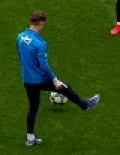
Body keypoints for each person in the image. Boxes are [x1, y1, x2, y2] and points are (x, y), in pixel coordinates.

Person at [18, 10, 100, 146]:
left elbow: (20, 56)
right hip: (40, 79)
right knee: (64, 87)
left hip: (27, 79)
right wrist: (55, 80)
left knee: (33, 108)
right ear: (40, 23)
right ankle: (84, 105)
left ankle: (30, 137)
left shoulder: (20, 37)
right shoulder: (40, 43)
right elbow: (44, 65)